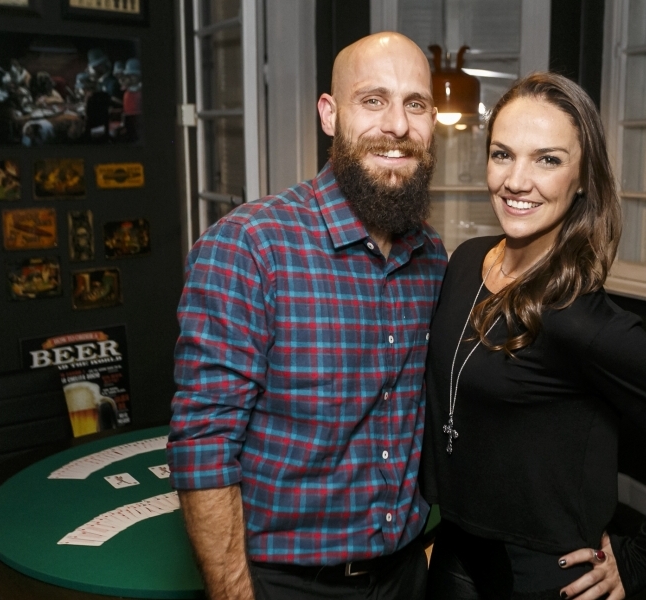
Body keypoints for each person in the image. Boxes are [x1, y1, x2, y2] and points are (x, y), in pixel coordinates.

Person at [420, 72, 646, 600]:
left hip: (542, 576)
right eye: (503, 154)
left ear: (584, 177)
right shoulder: (467, 261)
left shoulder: (581, 319)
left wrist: (638, 562)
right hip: (453, 550)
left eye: (548, 159)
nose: (517, 181)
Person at [166, 32, 447, 600]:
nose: (397, 124)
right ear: (329, 114)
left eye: (415, 104)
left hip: (406, 577)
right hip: (287, 584)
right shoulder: (250, 246)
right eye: (373, 100)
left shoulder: (433, 256)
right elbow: (203, 444)